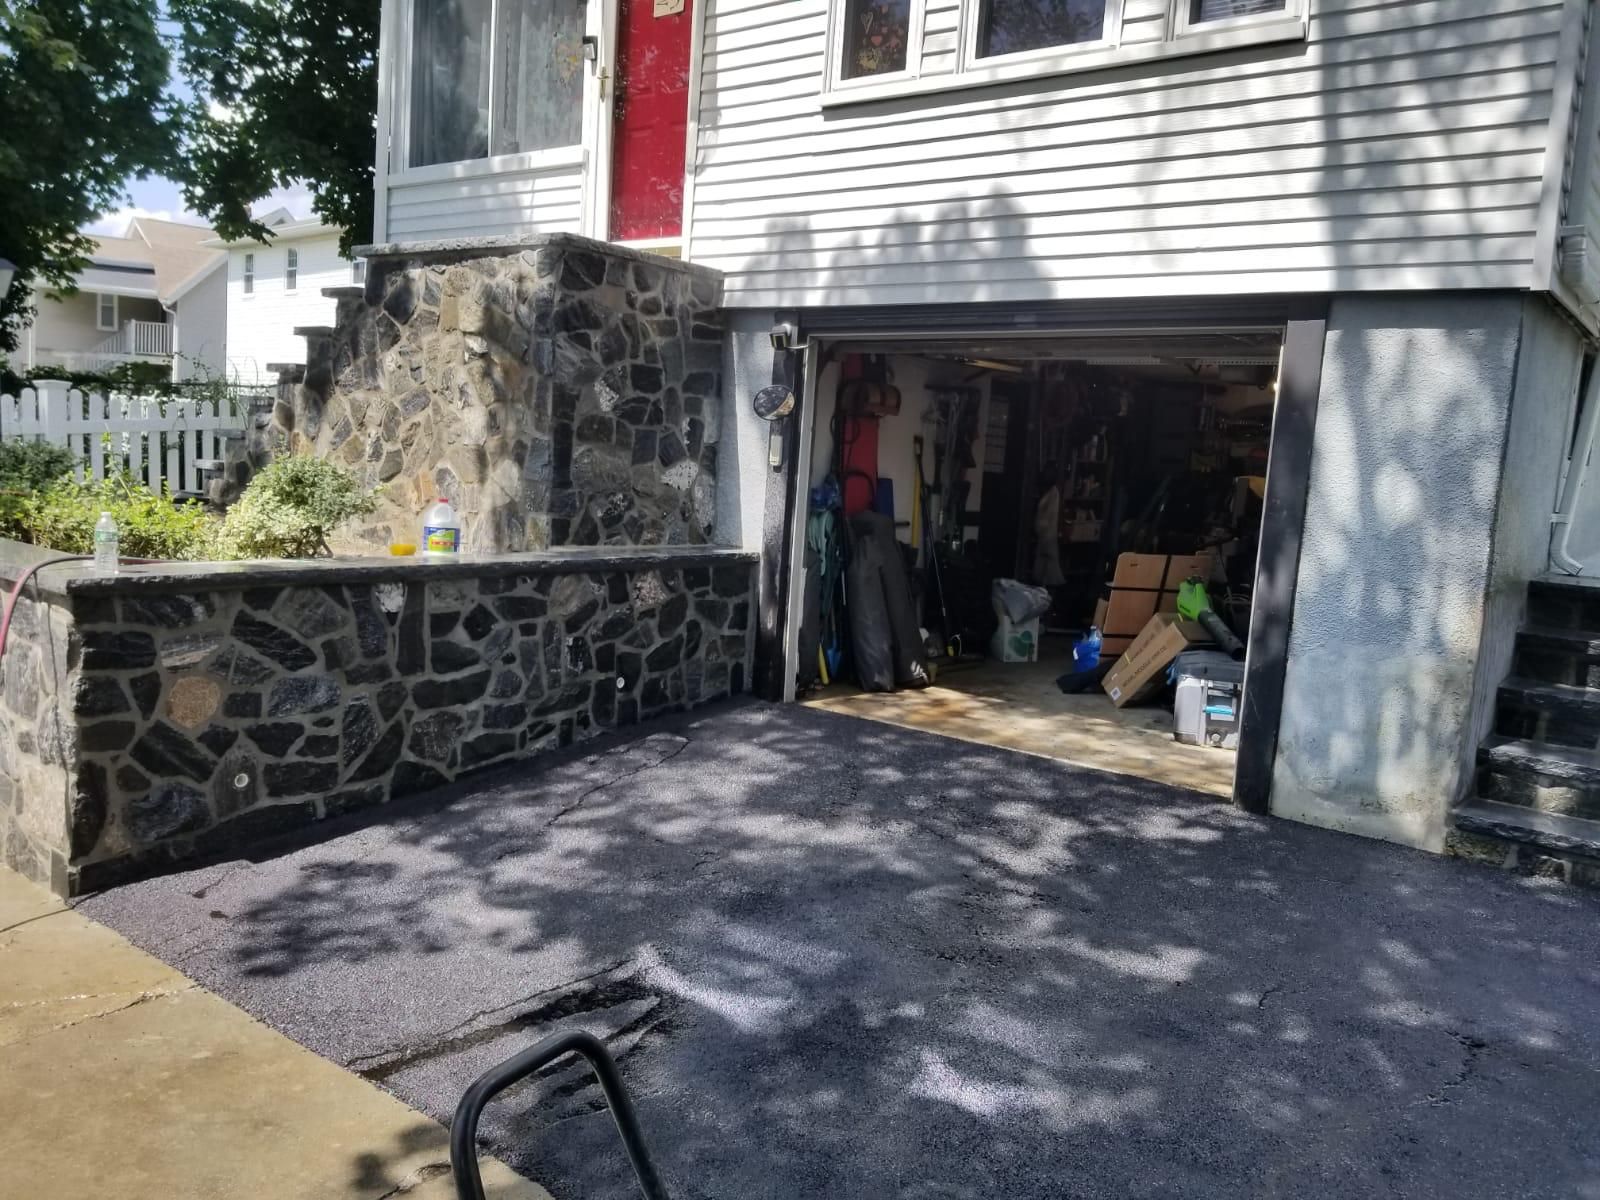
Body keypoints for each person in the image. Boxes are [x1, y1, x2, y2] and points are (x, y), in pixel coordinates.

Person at [1032, 461, 1065, 587]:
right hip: (1043, 535)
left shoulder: (1054, 493)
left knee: (1048, 572)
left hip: (1048, 535)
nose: (1047, 475)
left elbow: (1051, 516)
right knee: (1042, 572)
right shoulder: (1045, 491)